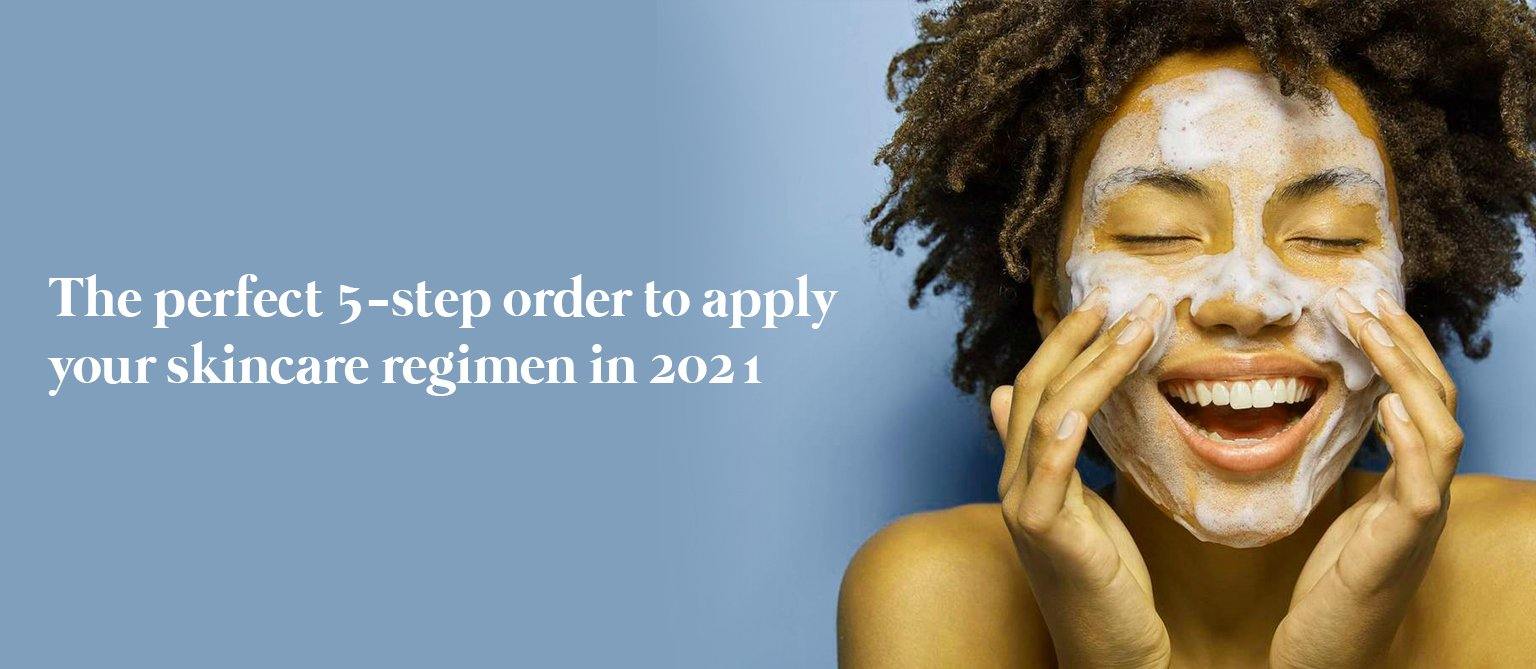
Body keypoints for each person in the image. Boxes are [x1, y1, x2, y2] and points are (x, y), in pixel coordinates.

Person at [838, 1, 1536, 666]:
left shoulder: (1520, 570)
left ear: (1405, 286)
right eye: (1157, 233)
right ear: (1051, 302)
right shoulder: (931, 592)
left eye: (1330, 237)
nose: (1247, 298)